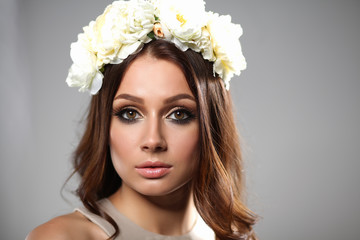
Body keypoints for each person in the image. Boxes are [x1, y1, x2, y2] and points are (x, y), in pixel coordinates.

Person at [26, 0, 258, 239]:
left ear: (213, 124)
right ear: (104, 125)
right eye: (130, 113)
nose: (152, 140)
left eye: (178, 114)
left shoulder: (233, 235)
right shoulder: (62, 237)